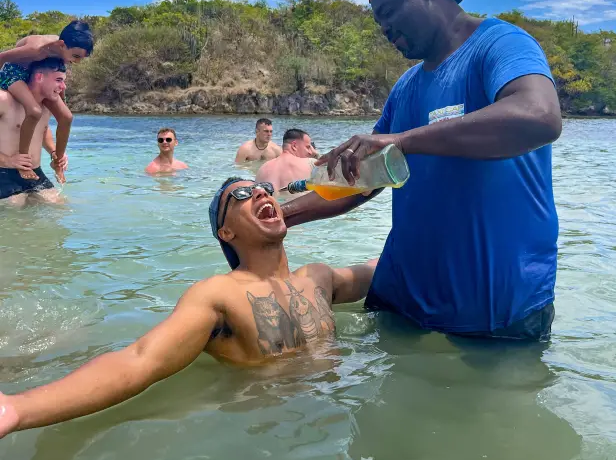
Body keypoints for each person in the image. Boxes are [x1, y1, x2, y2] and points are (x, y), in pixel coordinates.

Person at [281, 0, 563, 341]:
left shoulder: (501, 44)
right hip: (403, 297)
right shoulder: (405, 87)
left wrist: (403, 140)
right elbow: (364, 179)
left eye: (390, 11)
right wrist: (282, 217)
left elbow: (540, 116)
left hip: (497, 307)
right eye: (379, 21)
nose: (385, 28)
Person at [0, 177, 376, 437]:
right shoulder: (218, 295)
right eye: (241, 195)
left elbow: (387, 268)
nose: (260, 193)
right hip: (276, 434)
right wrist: (17, 409)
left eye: (263, 188)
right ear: (226, 233)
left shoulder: (319, 277)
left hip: (346, 414)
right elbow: (140, 359)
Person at [0, 22, 93, 181]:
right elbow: (1, 58)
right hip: (13, 73)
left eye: (81, 58)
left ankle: (57, 162)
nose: (77, 62)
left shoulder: (63, 51)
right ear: (61, 45)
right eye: (76, 57)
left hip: (36, 74)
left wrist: (62, 102)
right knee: (34, 111)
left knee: (66, 117)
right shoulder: (36, 50)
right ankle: (24, 163)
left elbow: (59, 82)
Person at [0, 58, 69, 206]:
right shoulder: (4, 99)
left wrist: (53, 151)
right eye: (58, 80)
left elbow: (43, 130)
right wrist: (7, 160)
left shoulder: (47, 105)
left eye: (63, 81)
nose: (63, 87)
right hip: (3, 172)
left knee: (60, 206)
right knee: (15, 206)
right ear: (39, 77)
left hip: (34, 172)